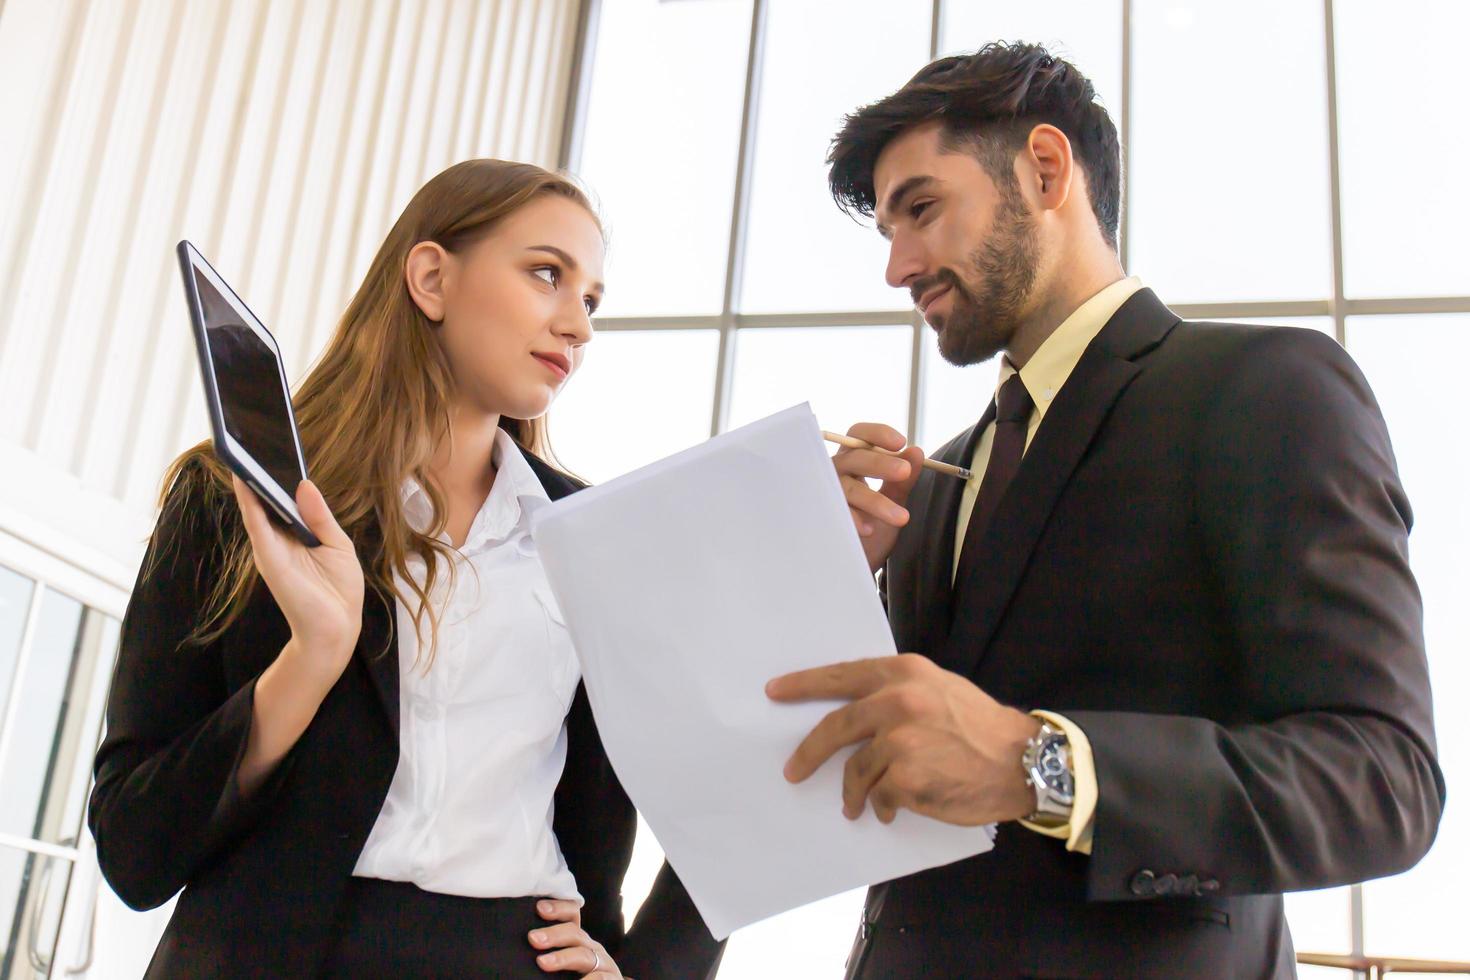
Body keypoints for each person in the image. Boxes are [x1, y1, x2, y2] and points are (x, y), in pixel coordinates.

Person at [766, 42, 1444, 977]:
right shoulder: (939, 484)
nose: (898, 267)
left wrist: (1037, 764)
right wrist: (827, 583)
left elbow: (1383, 784)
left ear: (1046, 169)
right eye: (886, 232)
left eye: (920, 210)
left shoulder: (1264, 390)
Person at [90, 160, 722, 979]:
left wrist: (647, 971)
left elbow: (727, 790)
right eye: (546, 275)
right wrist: (310, 662)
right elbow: (135, 849)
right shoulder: (234, 499)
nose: (579, 325)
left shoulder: (599, 538)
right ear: (430, 277)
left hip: (515, 959)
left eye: (591, 299)